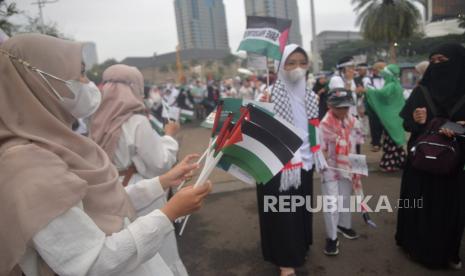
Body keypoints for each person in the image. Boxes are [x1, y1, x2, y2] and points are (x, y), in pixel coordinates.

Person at [0, 33, 212, 276]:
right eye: (79, 73)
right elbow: (90, 263)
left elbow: (99, 202)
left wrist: (162, 182)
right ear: (37, 82)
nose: (88, 83)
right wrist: (168, 213)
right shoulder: (28, 167)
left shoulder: (57, 142)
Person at [90, 64, 187, 275]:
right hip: (142, 190)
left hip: (112, 188)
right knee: (158, 251)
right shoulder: (136, 121)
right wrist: (169, 135)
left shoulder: (95, 118)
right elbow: (160, 162)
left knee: (132, 254)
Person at [396, 43, 465, 269]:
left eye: (442, 60)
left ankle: (447, 252)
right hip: (420, 165)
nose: (437, 66)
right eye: (433, 61)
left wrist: (457, 129)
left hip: (452, 166)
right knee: (418, 206)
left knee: (448, 210)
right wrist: (415, 121)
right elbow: (406, 123)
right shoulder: (421, 91)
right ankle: (415, 247)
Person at [257, 44, 318, 276]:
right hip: (277, 166)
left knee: (300, 209)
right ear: (280, 67)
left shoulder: (310, 96)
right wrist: (262, 107)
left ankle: (299, 247)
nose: (297, 68)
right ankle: (285, 262)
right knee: (283, 214)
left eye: (302, 63)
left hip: (304, 162)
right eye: (291, 63)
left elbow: (313, 129)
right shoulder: (268, 94)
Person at [319, 88, 360, 256]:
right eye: (339, 107)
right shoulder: (324, 125)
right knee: (331, 202)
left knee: (345, 197)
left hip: (347, 165)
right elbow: (321, 151)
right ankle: (332, 237)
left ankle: (343, 225)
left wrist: (357, 167)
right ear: (330, 105)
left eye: (346, 107)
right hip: (330, 168)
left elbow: (356, 144)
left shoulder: (352, 120)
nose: (343, 111)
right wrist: (325, 159)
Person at [362, 64, 406, 172]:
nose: (383, 76)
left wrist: (367, 91)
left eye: (385, 74)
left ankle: (389, 164)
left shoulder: (391, 85)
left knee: (391, 142)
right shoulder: (396, 84)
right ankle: (400, 162)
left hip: (392, 119)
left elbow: (380, 95)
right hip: (396, 118)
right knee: (394, 142)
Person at [329, 56, 365, 154]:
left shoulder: (353, 80)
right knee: (344, 148)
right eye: (350, 67)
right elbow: (342, 99)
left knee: (356, 147)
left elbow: (354, 98)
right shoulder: (336, 80)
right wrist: (349, 84)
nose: (353, 70)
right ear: (343, 69)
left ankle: (356, 169)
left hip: (353, 117)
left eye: (353, 67)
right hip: (341, 119)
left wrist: (359, 94)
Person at [365, 62, 386, 152]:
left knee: (385, 124)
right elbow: (370, 91)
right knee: (374, 124)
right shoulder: (368, 79)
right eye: (380, 69)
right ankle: (376, 143)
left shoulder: (387, 78)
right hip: (373, 106)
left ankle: (386, 142)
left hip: (385, 105)